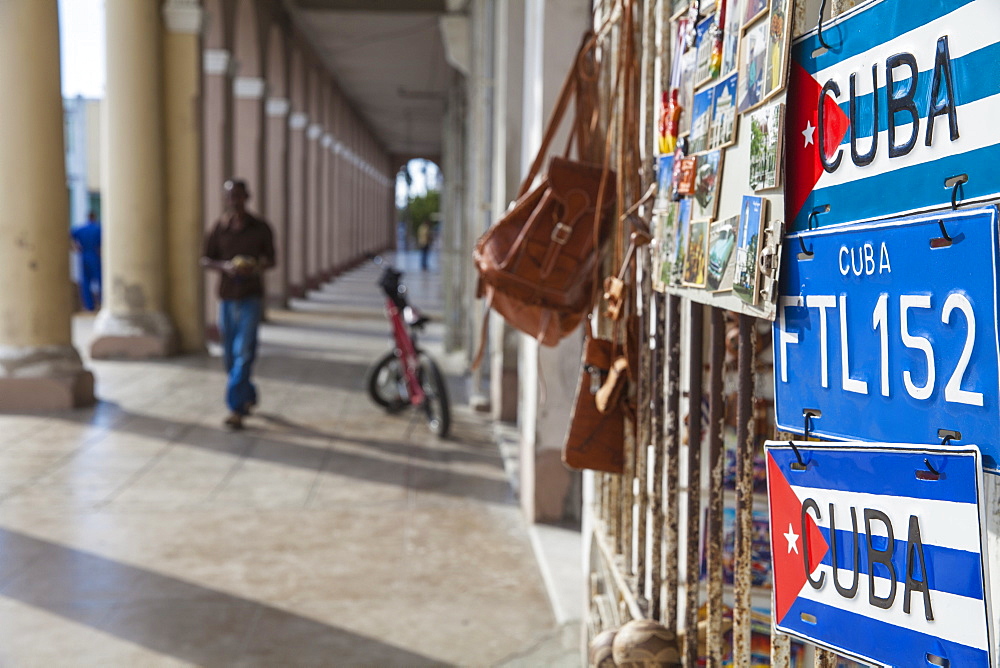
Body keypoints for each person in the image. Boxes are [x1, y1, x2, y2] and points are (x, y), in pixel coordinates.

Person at [201, 179, 276, 430]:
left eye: (239, 196)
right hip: (226, 296)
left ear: (247, 197)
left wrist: (254, 266)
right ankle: (248, 394)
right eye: (230, 197)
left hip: (251, 296)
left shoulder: (261, 228)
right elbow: (205, 259)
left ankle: (235, 409)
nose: (235, 201)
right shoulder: (219, 229)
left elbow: (272, 259)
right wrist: (225, 266)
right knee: (230, 356)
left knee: (244, 352)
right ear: (225, 199)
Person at [70, 211, 102, 311]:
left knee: (85, 281)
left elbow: (68, 235)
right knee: (100, 280)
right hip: (95, 255)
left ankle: (89, 306)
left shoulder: (81, 229)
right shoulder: (98, 228)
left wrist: (74, 247)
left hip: (83, 255)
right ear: (94, 217)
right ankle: (102, 302)